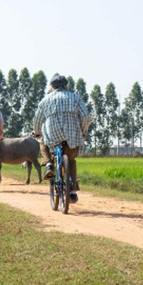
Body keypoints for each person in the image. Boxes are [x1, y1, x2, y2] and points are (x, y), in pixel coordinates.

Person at [32, 75, 90, 204]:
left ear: (52, 86)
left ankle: (48, 164)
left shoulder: (45, 100)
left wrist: (37, 132)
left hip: (52, 135)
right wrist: (83, 131)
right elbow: (86, 117)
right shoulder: (75, 97)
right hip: (73, 135)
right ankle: (73, 191)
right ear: (66, 85)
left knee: (42, 140)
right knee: (71, 161)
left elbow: (36, 121)